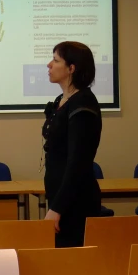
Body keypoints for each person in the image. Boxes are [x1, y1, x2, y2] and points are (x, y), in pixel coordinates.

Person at [42, 41, 102, 248]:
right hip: (60, 197)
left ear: (72, 68)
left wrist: (57, 208)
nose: (49, 65)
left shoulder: (83, 104)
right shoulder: (63, 99)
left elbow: (78, 162)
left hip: (75, 202)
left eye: (56, 60)